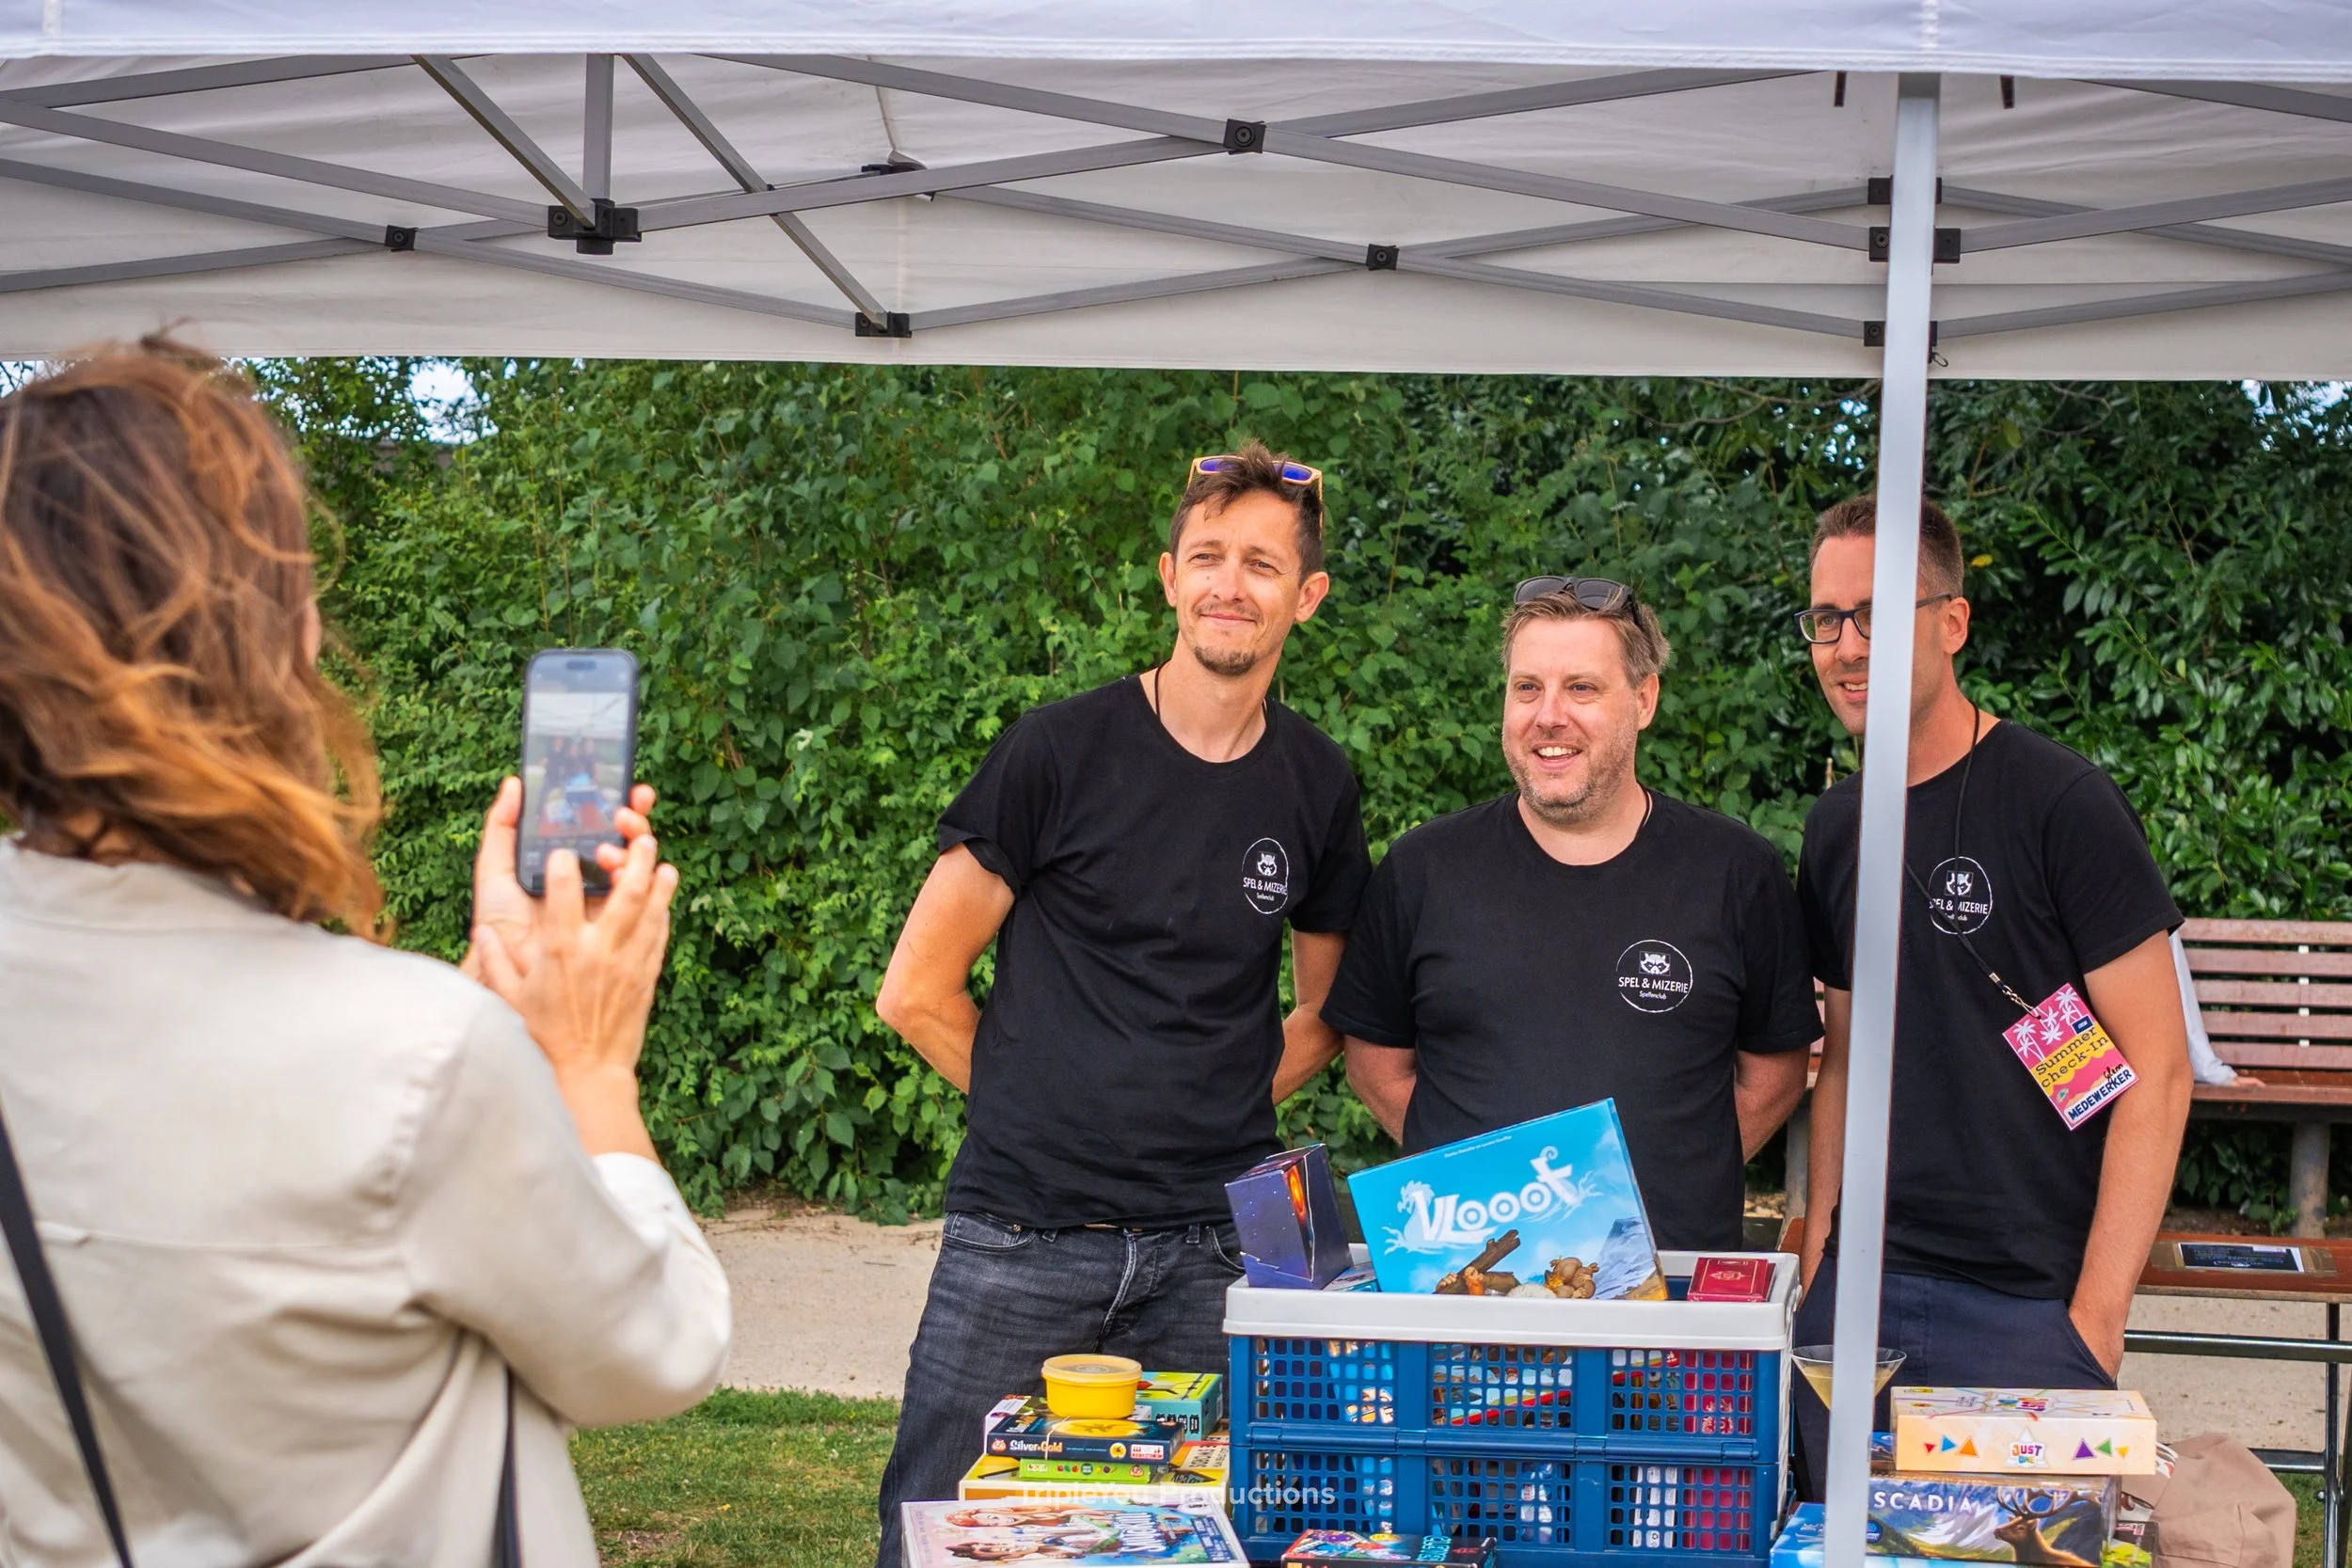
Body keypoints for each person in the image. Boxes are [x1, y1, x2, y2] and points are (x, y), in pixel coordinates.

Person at [0, 341, 730, 1561]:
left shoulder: (414, 1049)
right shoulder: (423, 1060)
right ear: (275, 643)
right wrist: (589, 1066)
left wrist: (448, 1018)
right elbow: (652, 1353)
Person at [871, 442, 1371, 1567]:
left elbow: (1325, 1009)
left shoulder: (1317, 781)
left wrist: (1208, 1106)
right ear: (1167, 577)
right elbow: (916, 988)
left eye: (1259, 562)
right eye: (1206, 557)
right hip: (1020, 1239)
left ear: (1308, 594)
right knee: (940, 1538)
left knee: (1192, 1544)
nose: (1228, 584)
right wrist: (1039, 1112)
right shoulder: (1057, 748)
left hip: (1212, 1252)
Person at [1791, 494, 2191, 1493]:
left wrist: (2094, 1317)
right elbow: (1842, 1049)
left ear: (1951, 622)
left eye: (1875, 613)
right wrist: (1818, 1258)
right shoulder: (1835, 826)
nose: (1846, 645)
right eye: (1825, 618)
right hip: (1862, 1296)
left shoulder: (2062, 802)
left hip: (2028, 1305)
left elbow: (2158, 1070)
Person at [1322, 578, 1820, 1250]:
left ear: (1643, 701)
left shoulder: (1737, 874)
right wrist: (1480, 1185)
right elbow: (1374, 1063)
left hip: (1667, 1312)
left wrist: (1670, 1172)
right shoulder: (1421, 870)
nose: (1548, 715)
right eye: (1527, 688)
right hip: (1466, 1297)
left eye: (1581, 688)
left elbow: (1776, 1073)